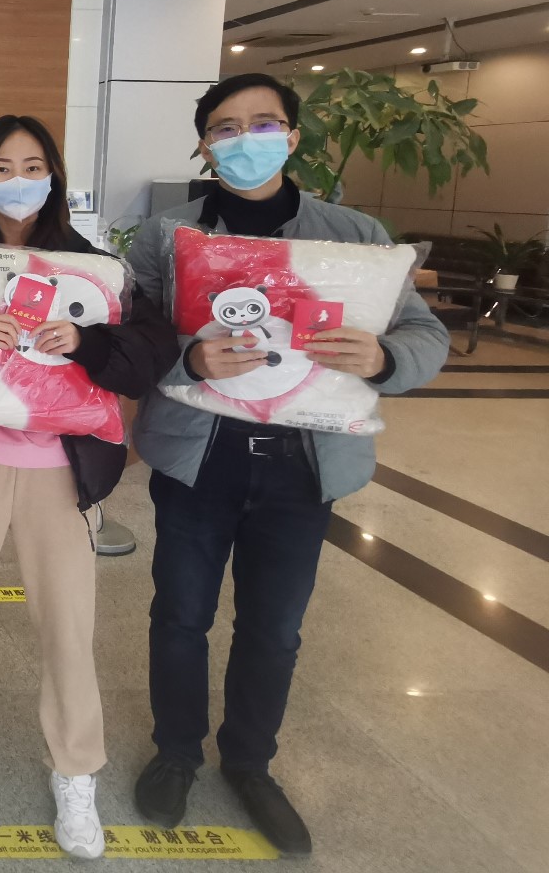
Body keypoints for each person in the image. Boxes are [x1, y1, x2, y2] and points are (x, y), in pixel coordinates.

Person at [126, 73, 448, 856]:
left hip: (303, 466)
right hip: (199, 459)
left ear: (294, 137)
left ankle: (250, 764)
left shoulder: (354, 236)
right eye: (226, 128)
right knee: (180, 616)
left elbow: (425, 335)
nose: (247, 140)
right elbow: (130, 340)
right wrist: (189, 358)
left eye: (265, 124)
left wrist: (383, 357)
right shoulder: (167, 237)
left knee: (274, 628)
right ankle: (176, 752)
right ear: (205, 145)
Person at [0, 115, 179, 859]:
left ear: (53, 176)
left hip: (61, 471)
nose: (16, 181)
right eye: (0, 167)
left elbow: (150, 350)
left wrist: (87, 340)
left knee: (67, 627)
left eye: (31, 166)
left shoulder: (96, 267)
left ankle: (75, 770)